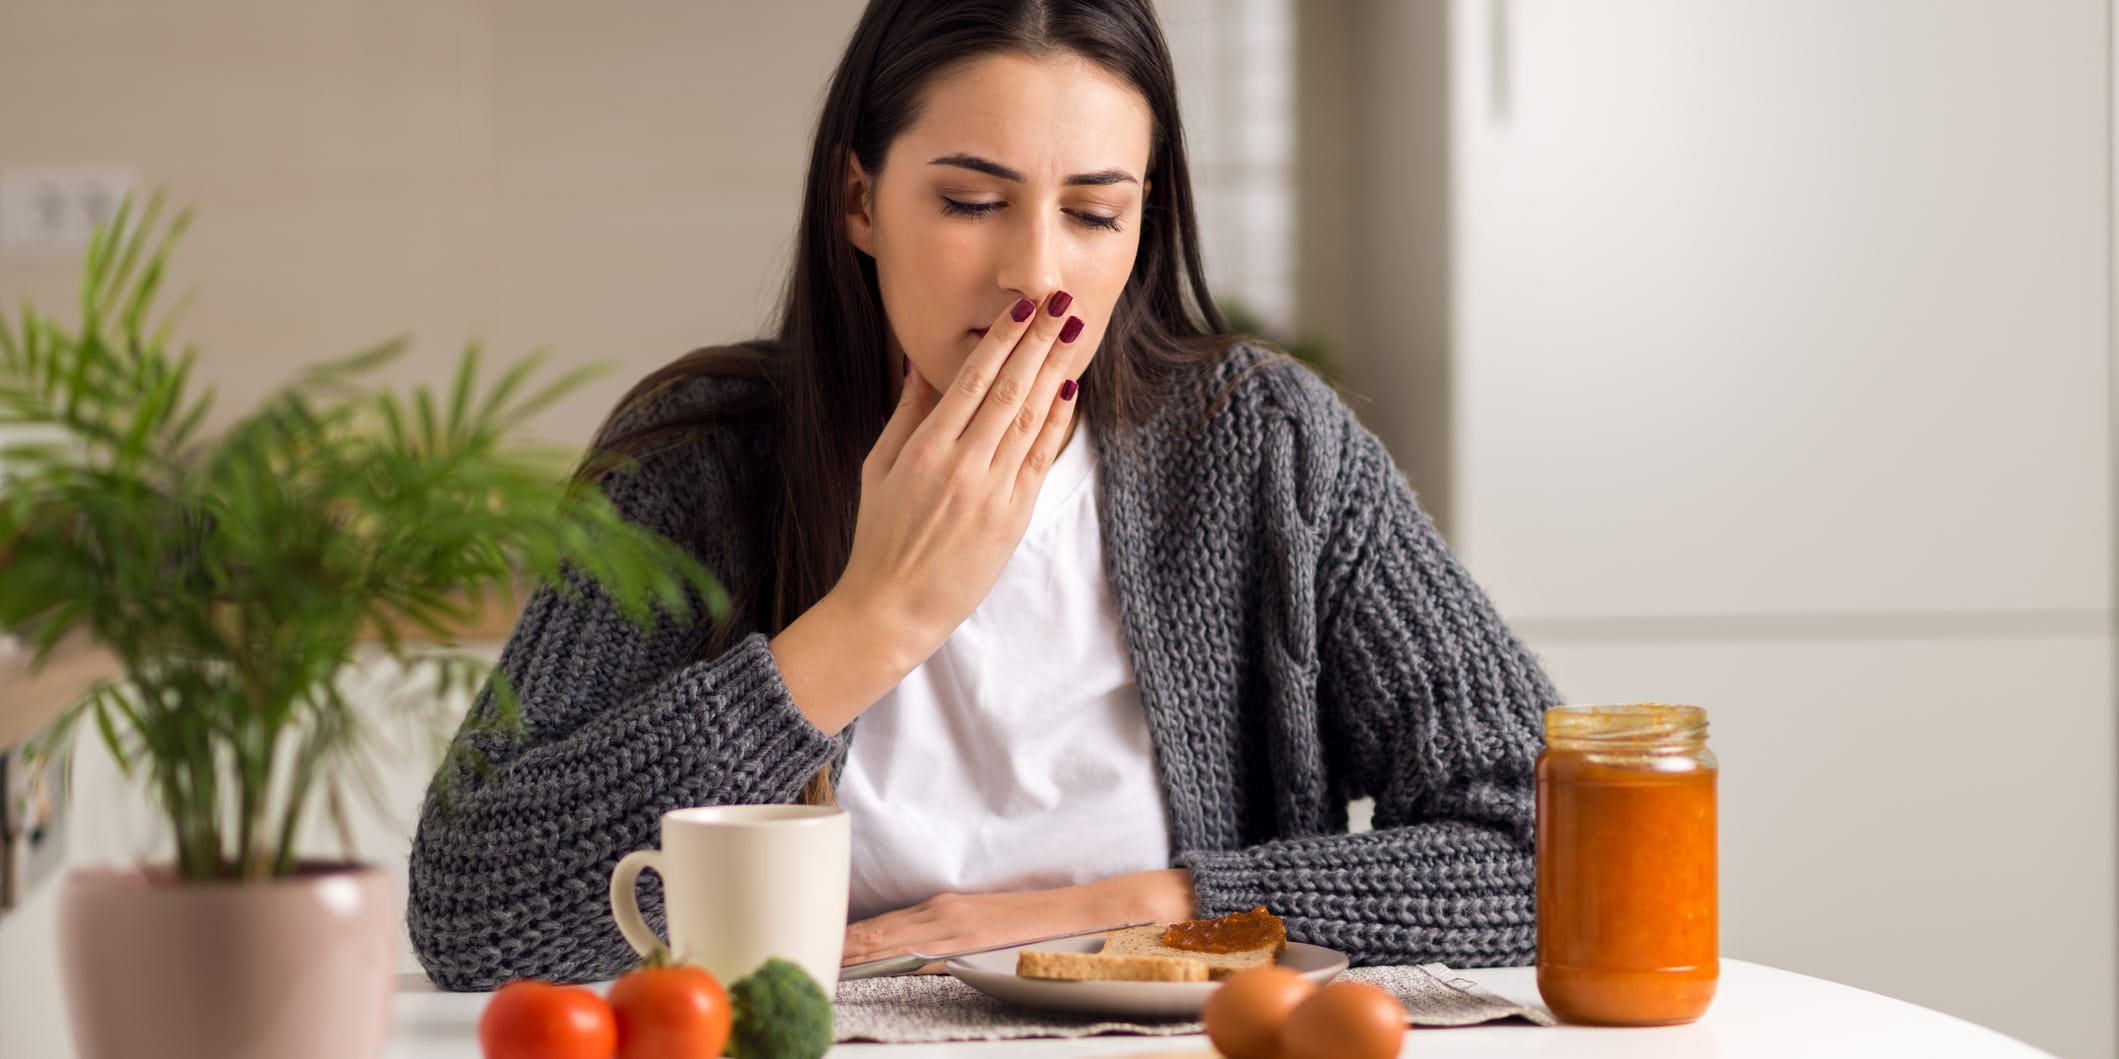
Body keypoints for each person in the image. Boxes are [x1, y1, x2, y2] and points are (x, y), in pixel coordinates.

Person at [407, 0, 1559, 993]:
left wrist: (1132, 909)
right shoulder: (694, 461)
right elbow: (474, 914)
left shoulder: (1266, 450)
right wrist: (874, 622)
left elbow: (1551, 848)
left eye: (1095, 213)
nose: (1035, 275)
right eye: (970, 202)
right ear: (859, 200)